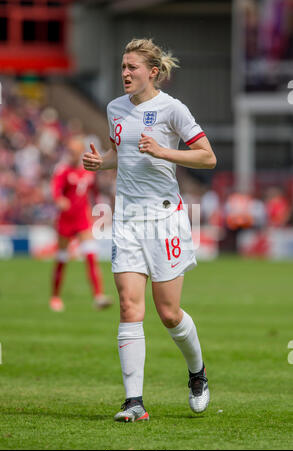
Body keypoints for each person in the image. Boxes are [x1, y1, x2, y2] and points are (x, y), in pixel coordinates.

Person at [83, 38, 217, 422]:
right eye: (123, 67)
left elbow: (207, 156)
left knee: (169, 313)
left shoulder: (172, 109)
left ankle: (197, 373)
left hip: (164, 219)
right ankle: (134, 402)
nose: (125, 73)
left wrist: (164, 152)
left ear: (152, 72)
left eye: (132, 68)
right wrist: (101, 162)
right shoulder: (115, 109)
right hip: (125, 218)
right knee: (128, 306)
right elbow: (119, 153)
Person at [50, 134, 113, 312]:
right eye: (70, 150)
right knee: (62, 259)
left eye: (74, 150)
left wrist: (99, 209)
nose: (72, 153)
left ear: (80, 151)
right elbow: (55, 190)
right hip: (65, 221)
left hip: (82, 220)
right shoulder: (63, 170)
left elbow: (95, 193)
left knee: (91, 256)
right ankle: (55, 296)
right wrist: (60, 200)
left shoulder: (88, 171)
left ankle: (98, 296)